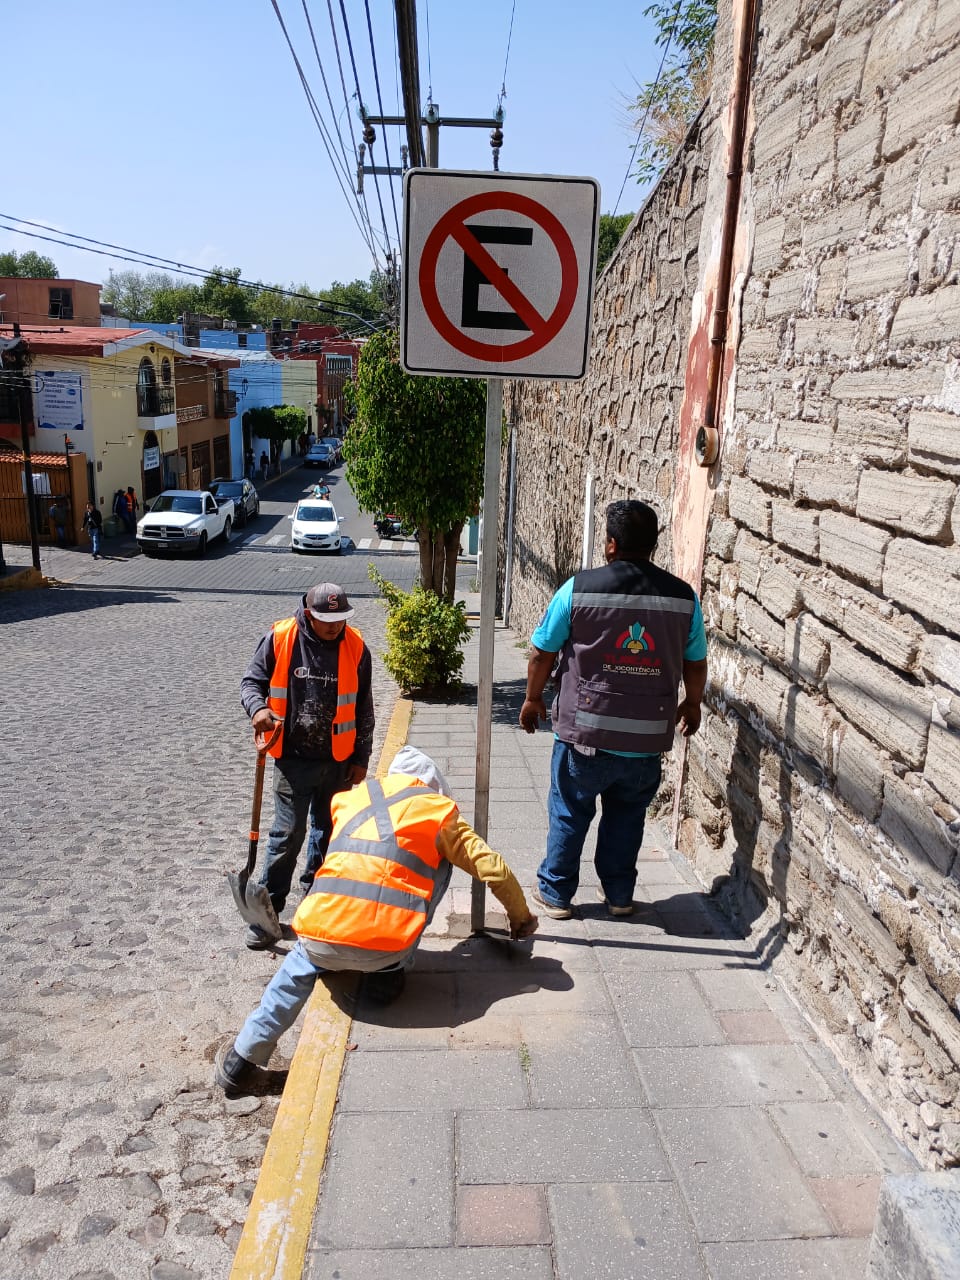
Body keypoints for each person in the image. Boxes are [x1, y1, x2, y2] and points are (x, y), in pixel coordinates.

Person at [214, 746, 539, 1093]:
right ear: (430, 786)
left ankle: (240, 1062)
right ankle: (387, 976)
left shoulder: (350, 798)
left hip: (319, 937)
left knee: (290, 978)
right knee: (441, 857)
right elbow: (493, 868)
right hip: (388, 949)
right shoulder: (438, 810)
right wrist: (520, 918)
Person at [519, 499, 708, 919]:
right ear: (653, 545)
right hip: (645, 741)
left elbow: (542, 652)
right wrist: (692, 703)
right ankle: (620, 895)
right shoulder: (683, 599)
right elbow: (696, 661)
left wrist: (533, 699)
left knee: (569, 811)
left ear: (610, 544)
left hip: (584, 735)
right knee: (627, 818)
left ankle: (555, 894)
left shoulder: (578, 589)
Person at [239, 582, 375, 949]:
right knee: (288, 834)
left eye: (340, 620)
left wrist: (361, 759)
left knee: (328, 834)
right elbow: (251, 682)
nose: (335, 627)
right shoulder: (281, 637)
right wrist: (259, 709)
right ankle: (268, 914)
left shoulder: (356, 646)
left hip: (337, 760)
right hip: (292, 759)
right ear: (309, 614)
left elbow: (364, 708)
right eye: (327, 620)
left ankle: (316, 903)